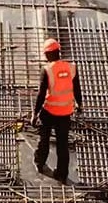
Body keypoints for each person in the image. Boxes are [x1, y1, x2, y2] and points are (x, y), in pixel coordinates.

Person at [32, 37, 83, 185]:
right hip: (65, 112)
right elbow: (77, 88)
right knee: (62, 145)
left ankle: (40, 163)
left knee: (44, 140)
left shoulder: (47, 70)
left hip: (49, 111)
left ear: (47, 55)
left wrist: (35, 114)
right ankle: (62, 174)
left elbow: (41, 94)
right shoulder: (71, 67)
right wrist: (80, 105)